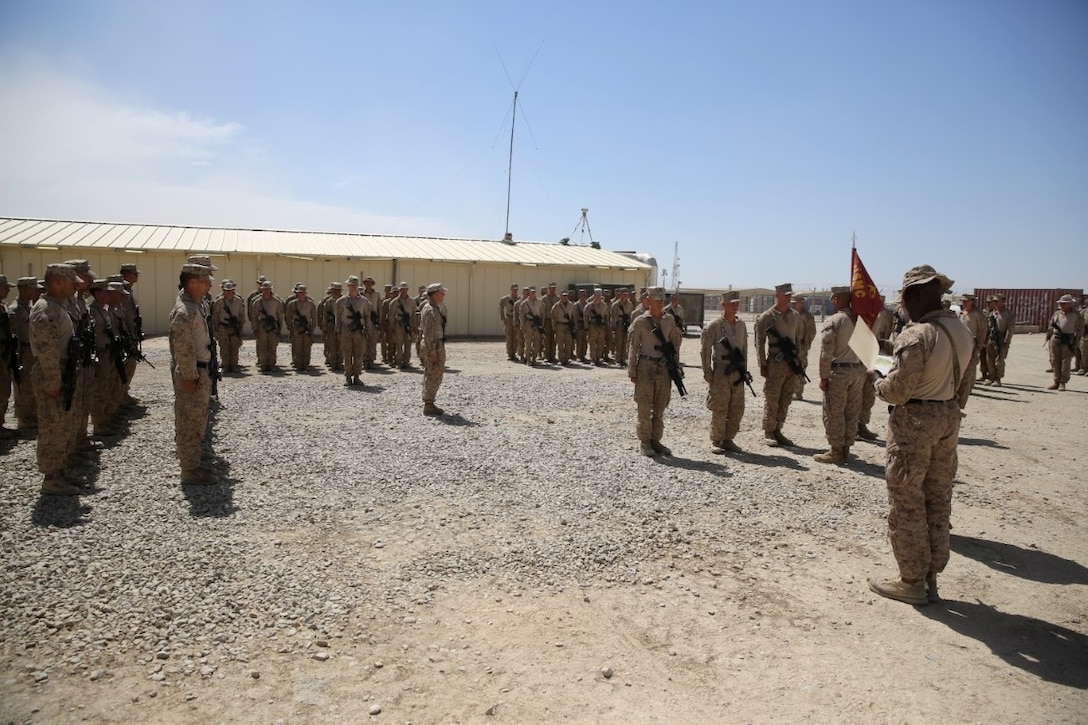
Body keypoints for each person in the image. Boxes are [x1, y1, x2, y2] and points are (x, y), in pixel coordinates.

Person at [868, 264, 973, 606]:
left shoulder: (918, 334)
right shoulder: (960, 330)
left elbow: (897, 390)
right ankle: (931, 574)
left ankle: (911, 580)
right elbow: (965, 384)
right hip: (948, 416)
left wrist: (877, 380)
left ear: (913, 295)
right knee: (938, 497)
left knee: (907, 499)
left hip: (915, 422)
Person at [30, 264, 84, 494]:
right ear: (57, 282)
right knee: (52, 427)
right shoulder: (46, 311)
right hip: (52, 373)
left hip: (63, 371)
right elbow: (47, 350)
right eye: (71, 282)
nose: (75, 286)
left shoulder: (57, 307)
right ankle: (51, 480)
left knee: (63, 426)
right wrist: (53, 383)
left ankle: (60, 472)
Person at [169, 263, 218, 486]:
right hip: (193, 373)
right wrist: (189, 376)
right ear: (192, 282)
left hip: (201, 370)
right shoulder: (185, 311)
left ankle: (193, 460)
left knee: (197, 420)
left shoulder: (195, 305)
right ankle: (189, 469)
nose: (209, 284)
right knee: (189, 421)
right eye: (204, 280)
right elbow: (183, 347)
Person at [813, 287, 865, 465]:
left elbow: (826, 352)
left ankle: (836, 451)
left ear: (836, 299)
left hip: (840, 373)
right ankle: (846, 450)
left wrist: (823, 376)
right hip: (857, 371)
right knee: (851, 412)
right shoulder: (860, 320)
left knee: (834, 412)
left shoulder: (834, 321)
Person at [628, 287, 682, 457]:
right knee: (644, 406)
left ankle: (656, 440)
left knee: (660, 406)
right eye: (656, 300)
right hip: (645, 367)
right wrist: (632, 370)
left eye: (662, 300)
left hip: (664, 369)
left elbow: (675, 345)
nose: (660, 303)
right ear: (648, 301)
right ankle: (645, 441)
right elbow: (633, 347)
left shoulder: (669, 321)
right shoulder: (640, 322)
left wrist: (676, 366)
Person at [755, 283, 803, 447]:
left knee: (786, 397)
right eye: (786, 295)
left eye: (790, 295)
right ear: (777, 295)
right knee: (772, 397)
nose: (789, 298)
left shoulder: (795, 315)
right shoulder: (767, 316)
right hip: (775, 361)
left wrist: (799, 360)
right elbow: (759, 342)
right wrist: (762, 364)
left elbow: (797, 340)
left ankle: (778, 429)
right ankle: (769, 430)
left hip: (791, 361)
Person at [700, 291, 747, 454]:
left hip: (737, 371)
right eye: (731, 303)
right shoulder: (715, 325)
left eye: (737, 303)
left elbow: (744, 350)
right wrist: (707, 372)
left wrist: (744, 371)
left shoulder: (741, 325)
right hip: (721, 370)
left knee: (737, 407)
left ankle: (728, 439)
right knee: (720, 406)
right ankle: (716, 439)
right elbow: (705, 350)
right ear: (723, 304)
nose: (735, 306)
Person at [11, 277, 44, 433]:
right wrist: (16, 357)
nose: (36, 291)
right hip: (23, 351)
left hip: (30, 349)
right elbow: (14, 334)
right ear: (24, 289)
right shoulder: (16, 310)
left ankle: (31, 415)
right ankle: (24, 418)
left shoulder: (27, 307)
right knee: (23, 385)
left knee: (31, 384)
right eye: (32, 288)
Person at [336, 276, 371, 386]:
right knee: (347, 354)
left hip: (359, 331)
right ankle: (348, 377)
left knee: (358, 354)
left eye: (355, 285)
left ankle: (356, 376)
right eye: (351, 285)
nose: (353, 287)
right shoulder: (341, 301)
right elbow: (337, 317)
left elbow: (367, 317)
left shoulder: (364, 302)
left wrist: (368, 331)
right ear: (348, 286)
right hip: (346, 329)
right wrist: (338, 331)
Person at [1045, 294, 1083, 391]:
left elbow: (1079, 330)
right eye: (1061, 303)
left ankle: (1063, 382)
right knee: (1055, 361)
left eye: (1064, 303)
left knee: (1065, 362)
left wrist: (1076, 342)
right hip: (1055, 338)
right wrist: (1048, 336)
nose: (1061, 305)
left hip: (1068, 340)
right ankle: (1056, 381)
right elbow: (1051, 325)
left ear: (1070, 304)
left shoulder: (1076, 315)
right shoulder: (1057, 313)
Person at [420, 283, 448, 415]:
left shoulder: (434, 308)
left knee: (433, 372)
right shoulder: (431, 310)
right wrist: (432, 351)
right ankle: (429, 403)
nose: (444, 294)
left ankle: (429, 401)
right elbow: (429, 332)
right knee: (433, 374)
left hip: (436, 344)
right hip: (434, 345)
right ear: (436, 294)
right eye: (442, 292)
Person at [117, 263, 142, 405]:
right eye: (134, 273)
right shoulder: (121, 292)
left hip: (131, 334)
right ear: (126, 275)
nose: (136, 276)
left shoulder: (129, 291)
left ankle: (123, 393)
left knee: (130, 365)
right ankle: (120, 396)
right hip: (125, 335)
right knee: (125, 366)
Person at [957, 294, 987, 407]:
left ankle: (968, 388)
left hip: (972, 342)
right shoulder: (961, 313)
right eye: (963, 301)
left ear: (972, 302)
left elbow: (982, 330)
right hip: (961, 343)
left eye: (966, 301)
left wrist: (979, 345)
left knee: (971, 366)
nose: (964, 303)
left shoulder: (978, 314)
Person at [212, 280, 245, 373]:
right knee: (224, 347)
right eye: (227, 291)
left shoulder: (238, 301)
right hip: (223, 327)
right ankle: (226, 365)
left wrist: (241, 326)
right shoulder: (219, 301)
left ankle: (234, 365)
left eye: (230, 291)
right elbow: (216, 315)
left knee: (235, 347)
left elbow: (241, 314)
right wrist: (217, 328)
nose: (228, 293)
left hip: (235, 327)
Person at [251, 281, 284, 372]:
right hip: (262, 326)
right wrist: (255, 327)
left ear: (271, 289)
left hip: (273, 326)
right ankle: (263, 364)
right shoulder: (257, 302)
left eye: (268, 289)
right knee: (262, 345)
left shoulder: (277, 301)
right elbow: (254, 316)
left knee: (272, 345)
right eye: (264, 289)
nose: (266, 291)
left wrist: (279, 327)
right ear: (261, 290)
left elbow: (279, 315)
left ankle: (271, 364)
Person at [982, 293, 1014, 387]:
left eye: (997, 301)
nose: (995, 303)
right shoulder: (992, 313)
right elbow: (988, 327)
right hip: (992, 338)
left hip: (1002, 339)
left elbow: (1010, 328)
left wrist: (1006, 340)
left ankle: (998, 378)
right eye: (994, 301)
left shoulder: (1008, 313)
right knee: (990, 359)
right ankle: (991, 377)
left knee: (999, 360)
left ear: (1003, 301)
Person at [285, 284, 317, 371]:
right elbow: (288, 316)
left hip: (307, 327)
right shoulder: (292, 304)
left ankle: (305, 363)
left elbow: (314, 316)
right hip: (296, 328)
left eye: (303, 292)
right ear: (297, 293)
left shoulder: (311, 304)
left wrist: (312, 327)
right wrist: (290, 327)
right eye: (299, 293)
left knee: (307, 346)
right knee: (297, 346)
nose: (301, 294)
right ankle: (297, 363)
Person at [791, 295, 817, 401]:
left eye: (794, 303)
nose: (792, 305)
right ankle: (789, 391)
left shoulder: (807, 316)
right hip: (790, 346)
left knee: (800, 368)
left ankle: (798, 392)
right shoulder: (790, 314)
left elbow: (812, 332)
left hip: (801, 347)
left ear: (801, 303)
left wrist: (806, 344)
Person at [390, 283, 417, 368]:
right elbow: (391, 315)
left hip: (408, 325)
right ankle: (399, 361)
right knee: (399, 345)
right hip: (399, 325)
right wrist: (392, 326)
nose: (403, 291)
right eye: (402, 289)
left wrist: (414, 326)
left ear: (407, 290)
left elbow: (413, 314)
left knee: (408, 344)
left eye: (405, 289)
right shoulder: (395, 302)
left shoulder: (411, 301)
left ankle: (406, 362)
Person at [0, 275, 14, 439]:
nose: (8, 290)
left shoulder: (3, 307)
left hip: (4, 352)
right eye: (5, 287)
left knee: (4, 388)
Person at [318, 282, 343, 371]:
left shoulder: (344, 301)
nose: (336, 292)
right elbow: (324, 315)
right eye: (334, 290)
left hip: (342, 326)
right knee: (331, 344)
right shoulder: (328, 302)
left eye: (338, 290)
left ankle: (339, 362)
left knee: (341, 345)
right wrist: (324, 327)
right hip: (331, 325)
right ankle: (333, 362)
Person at [518, 286, 545, 366]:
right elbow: (522, 315)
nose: (533, 293)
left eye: (534, 292)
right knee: (528, 343)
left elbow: (542, 314)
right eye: (531, 292)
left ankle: (534, 358)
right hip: (528, 324)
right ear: (529, 293)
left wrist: (542, 325)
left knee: (537, 342)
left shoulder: (540, 302)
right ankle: (528, 359)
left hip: (537, 324)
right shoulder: (524, 303)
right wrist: (522, 325)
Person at [584, 288, 610, 366]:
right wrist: (586, 328)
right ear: (594, 296)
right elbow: (585, 317)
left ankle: (598, 358)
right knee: (592, 343)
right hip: (593, 326)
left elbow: (606, 316)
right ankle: (593, 359)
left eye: (599, 295)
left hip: (601, 326)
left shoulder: (604, 305)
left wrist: (607, 326)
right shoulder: (589, 306)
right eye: (596, 295)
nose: (598, 297)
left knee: (600, 343)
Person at [610, 288, 635, 367]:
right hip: (619, 325)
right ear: (620, 295)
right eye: (624, 294)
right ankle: (617, 359)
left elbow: (631, 316)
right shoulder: (616, 305)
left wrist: (631, 325)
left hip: (626, 324)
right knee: (619, 342)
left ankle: (623, 359)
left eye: (626, 295)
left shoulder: (630, 304)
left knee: (625, 342)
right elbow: (613, 316)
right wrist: (613, 326)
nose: (625, 296)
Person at [551, 290, 577, 365]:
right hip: (560, 325)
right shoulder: (557, 305)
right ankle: (561, 359)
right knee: (560, 343)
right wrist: (554, 327)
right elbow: (553, 317)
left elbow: (574, 316)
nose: (565, 297)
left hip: (568, 326)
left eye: (566, 296)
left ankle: (567, 359)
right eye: (563, 296)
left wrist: (574, 326)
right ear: (560, 296)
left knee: (568, 343)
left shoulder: (571, 305)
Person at [500, 284, 520, 361]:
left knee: (515, 337)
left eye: (516, 290)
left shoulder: (519, 299)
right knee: (509, 337)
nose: (515, 291)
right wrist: (503, 319)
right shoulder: (506, 299)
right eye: (513, 289)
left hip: (516, 319)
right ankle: (509, 353)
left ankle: (514, 353)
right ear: (511, 290)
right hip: (509, 318)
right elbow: (501, 308)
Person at [540, 283, 560, 363]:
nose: (553, 289)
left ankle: (553, 356)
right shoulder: (544, 299)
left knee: (554, 339)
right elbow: (541, 311)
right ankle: (547, 356)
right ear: (548, 288)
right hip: (547, 321)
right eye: (551, 288)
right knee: (547, 339)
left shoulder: (558, 298)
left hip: (555, 321)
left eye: (554, 288)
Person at [574, 289, 589, 363]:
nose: (583, 297)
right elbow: (575, 316)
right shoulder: (576, 305)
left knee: (585, 342)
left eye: (585, 295)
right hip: (579, 325)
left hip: (586, 325)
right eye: (582, 295)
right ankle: (578, 356)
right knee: (579, 341)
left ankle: (583, 355)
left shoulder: (588, 304)